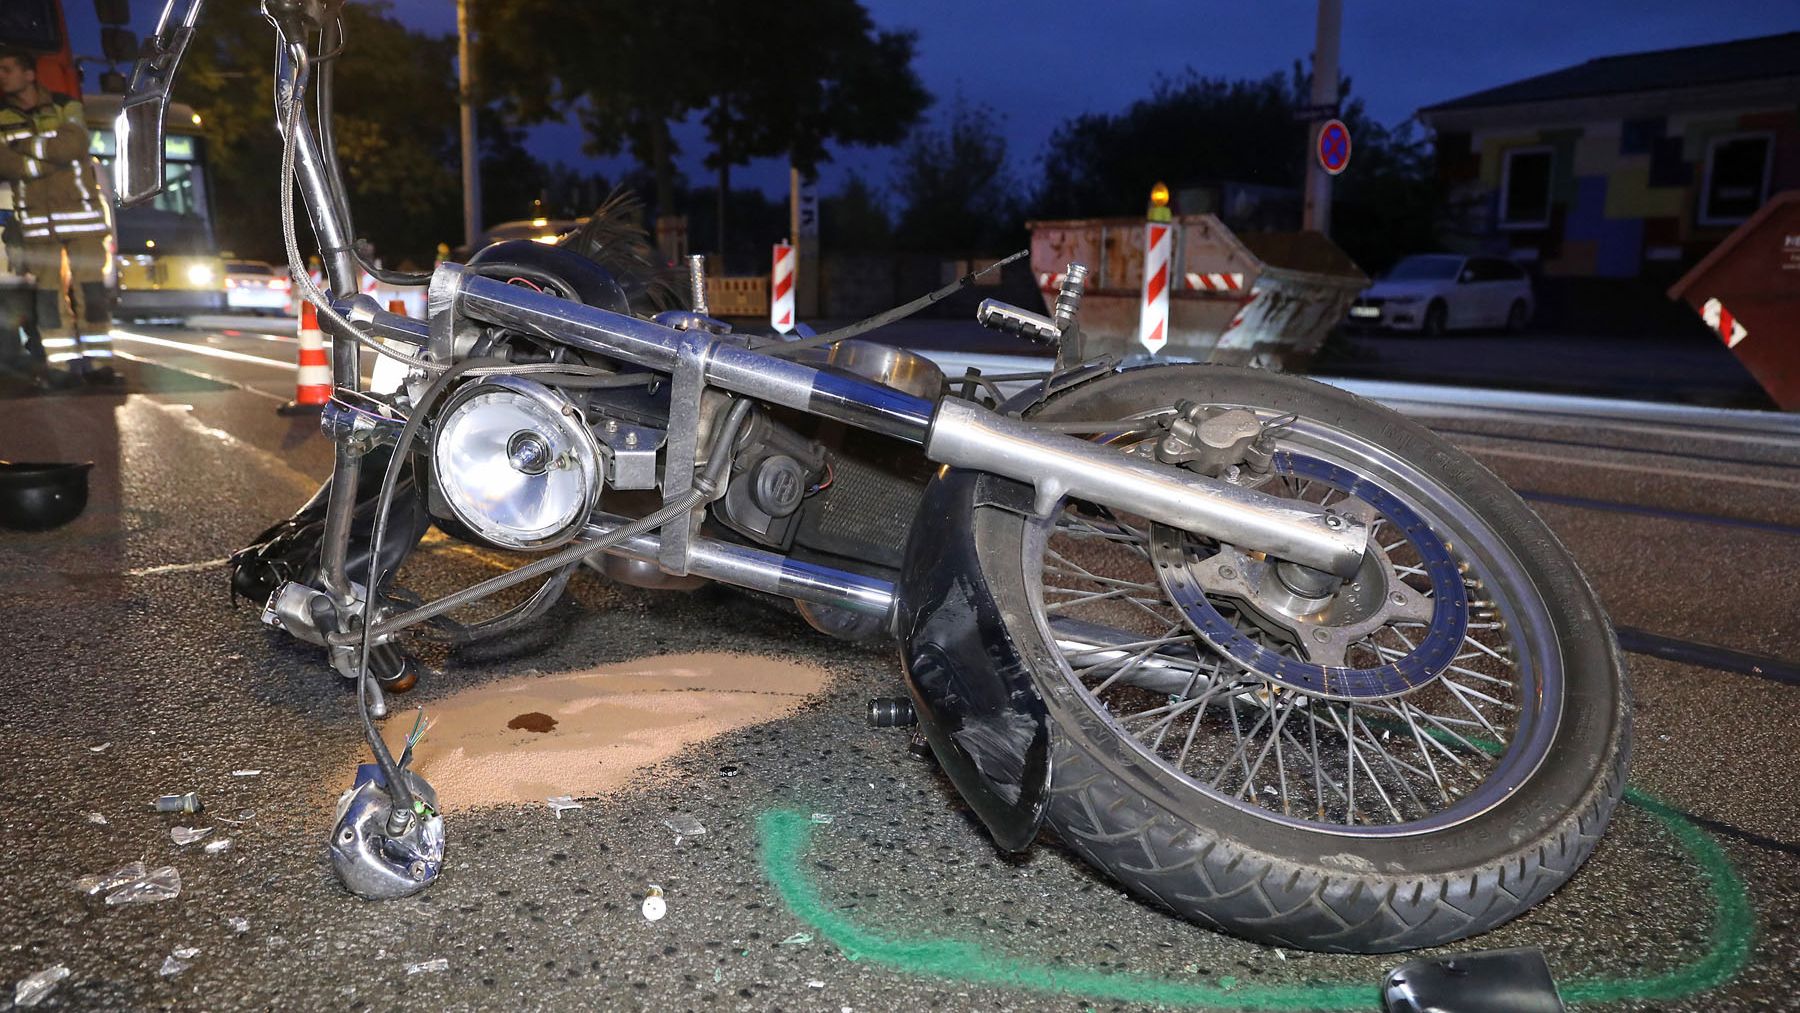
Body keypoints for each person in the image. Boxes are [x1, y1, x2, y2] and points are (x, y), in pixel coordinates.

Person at [0, 47, 113, 383]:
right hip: (36, 223)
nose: (1, 76)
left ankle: (99, 364)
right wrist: (50, 154)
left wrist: (25, 152)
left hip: (82, 219)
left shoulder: (67, 105)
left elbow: (75, 147)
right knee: (48, 297)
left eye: (6, 69)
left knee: (91, 291)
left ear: (29, 74)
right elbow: (5, 162)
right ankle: (62, 366)